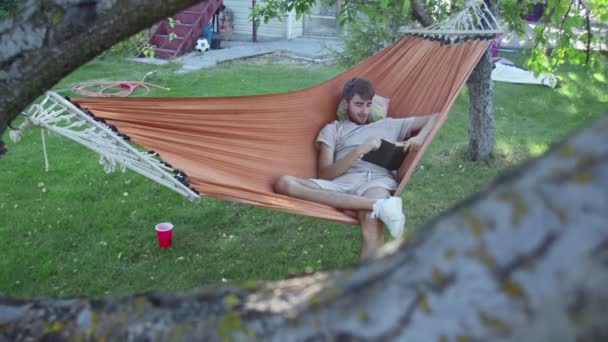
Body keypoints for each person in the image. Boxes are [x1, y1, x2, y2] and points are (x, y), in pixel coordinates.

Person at [275, 77, 437, 259]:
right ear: (346, 104)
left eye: (368, 105)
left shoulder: (388, 124)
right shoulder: (334, 129)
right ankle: (381, 206)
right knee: (284, 183)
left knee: (371, 220)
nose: (364, 111)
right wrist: (359, 151)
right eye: (358, 104)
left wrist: (419, 138)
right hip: (341, 183)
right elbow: (325, 175)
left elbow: (435, 117)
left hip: (374, 181)